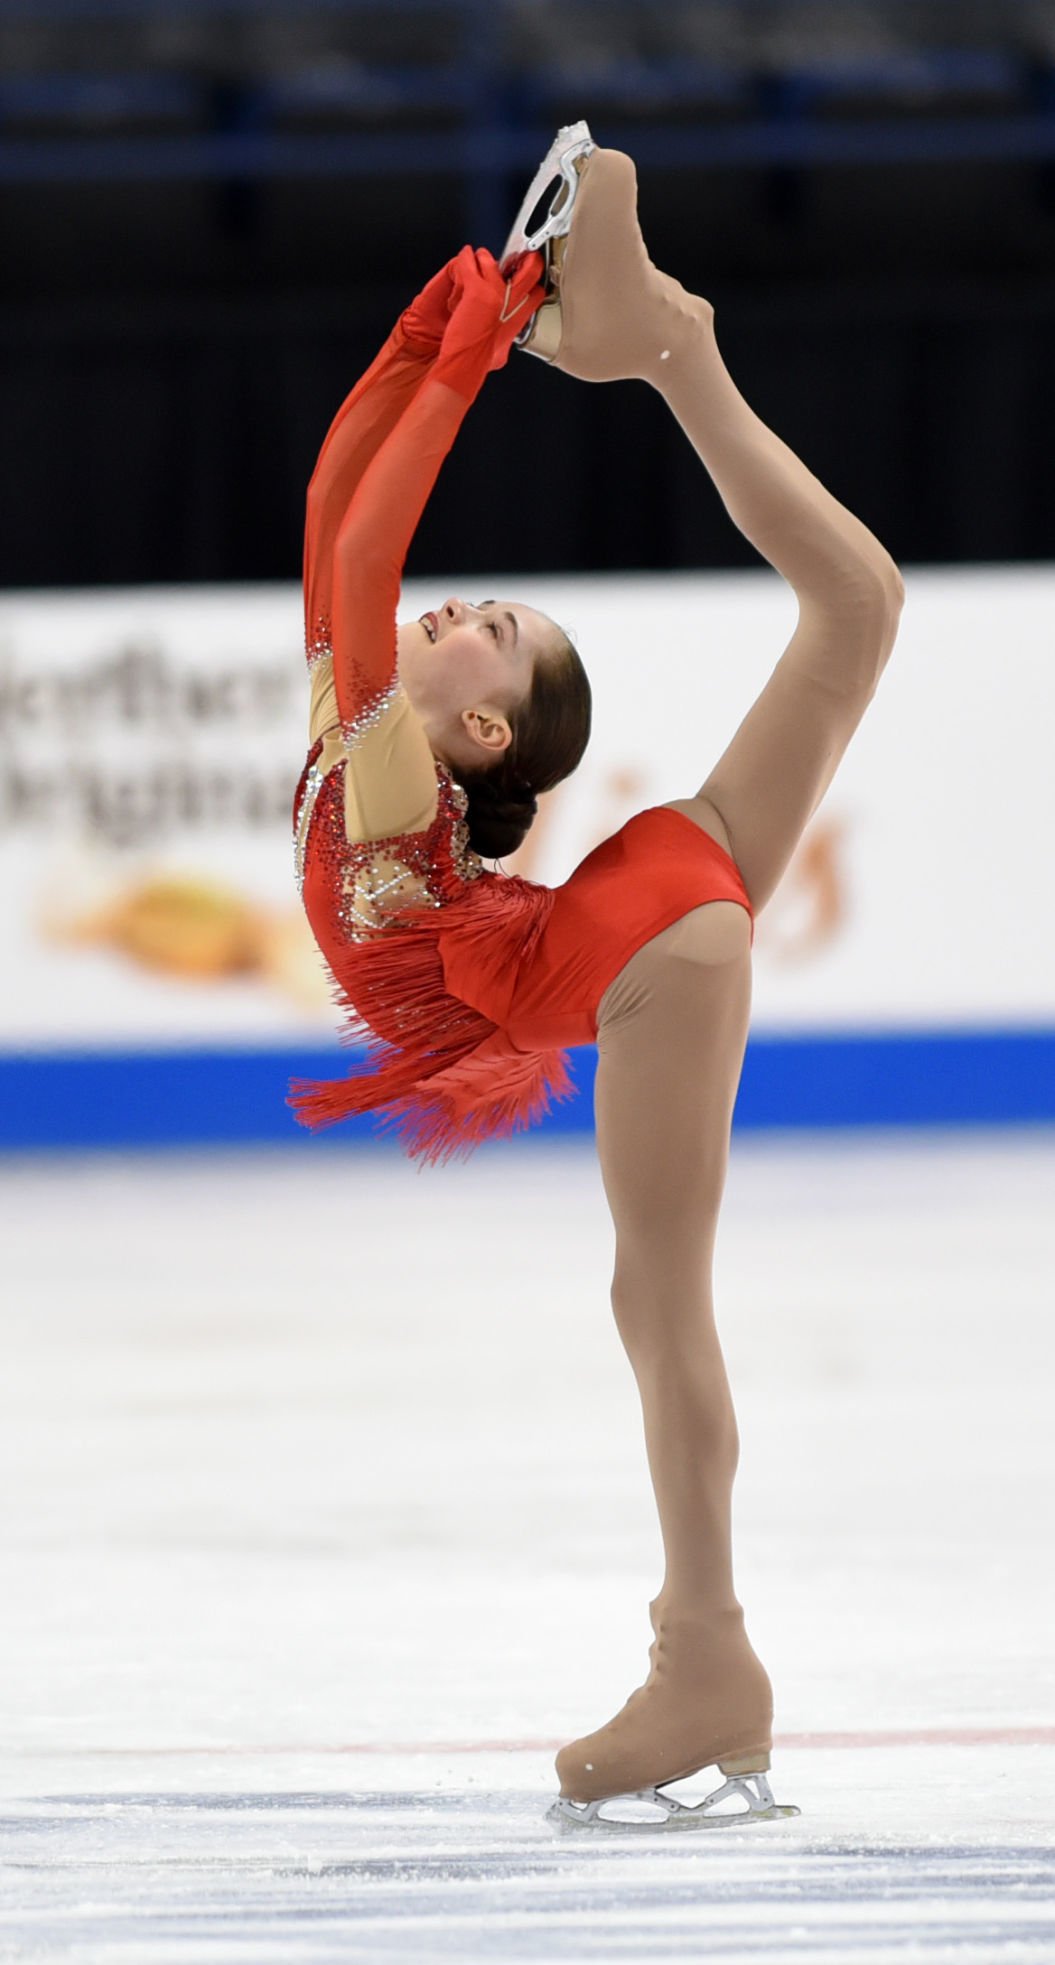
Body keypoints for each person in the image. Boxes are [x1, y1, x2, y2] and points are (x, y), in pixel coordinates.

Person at [290, 132, 905, 1830]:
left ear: (476, 729)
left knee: (659, 1303)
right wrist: (427, 337)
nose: (467, 602)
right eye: (487, 608)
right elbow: (342, 500)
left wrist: (479, 363)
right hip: (644, 915)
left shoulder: (392, 773)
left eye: (495, 627)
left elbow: (357, 564)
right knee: (854, 613)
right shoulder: (373, 748)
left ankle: (704, 1651)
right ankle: (680, 352)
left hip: (641, 959)